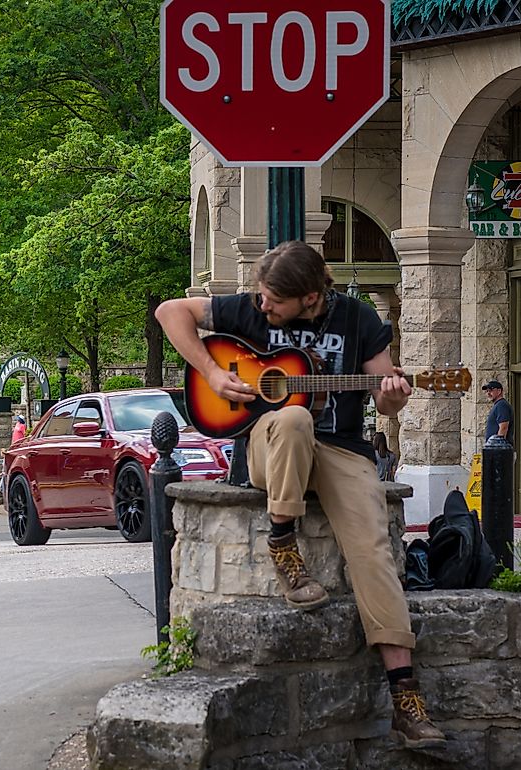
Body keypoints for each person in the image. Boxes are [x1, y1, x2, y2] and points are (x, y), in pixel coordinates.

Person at [155, 240, 445, 750]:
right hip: (275, 446)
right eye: (262, 296)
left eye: (274, 301)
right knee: (293, 416)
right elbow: (169, 311)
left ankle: (405, 697)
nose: (262, 306)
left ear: (310, 298)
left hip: (342, 452)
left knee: (374, 552)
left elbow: (385, 395)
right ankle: (283, 540)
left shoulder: (357, 319)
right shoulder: (249, 307)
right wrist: (213, 372)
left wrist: (392, 396)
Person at [482, 379, 511, 443]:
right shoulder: (498, 405)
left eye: (491, 390)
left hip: (498, 449)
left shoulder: (502, 405)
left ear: (499, 391)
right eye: (487, 391)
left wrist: (497, 448)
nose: (488, 393)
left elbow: (503, 428)